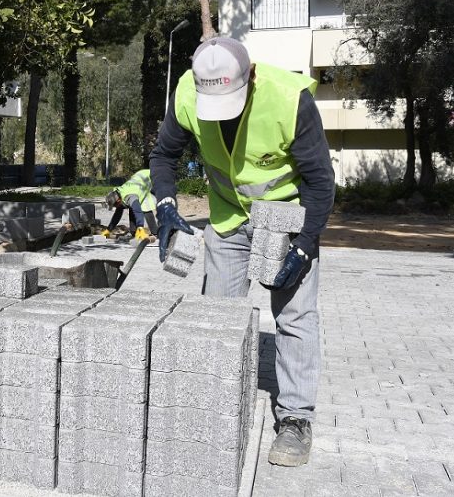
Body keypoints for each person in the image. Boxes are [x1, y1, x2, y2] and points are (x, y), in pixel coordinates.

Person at [150, 36, 334, 468]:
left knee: (295, 316)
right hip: (228, 216)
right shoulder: (187, 92)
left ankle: (296, 419)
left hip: (285, 217)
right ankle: (214, 401)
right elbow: (164, 156)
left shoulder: (290, 99)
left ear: (250, 75)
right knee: (217, 314)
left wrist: (304, 246)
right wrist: (166, 204)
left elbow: (320, 181)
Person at [102, 169, 156, 241]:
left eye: (115, 205)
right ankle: (133, 232)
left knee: (145, 207)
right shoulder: (119, 194)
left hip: (151, 177)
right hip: (139, 178)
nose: (115, 207)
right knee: (132, 206)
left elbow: (138, 211)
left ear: (118, 201)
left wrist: (140, 227)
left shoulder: (130, 197)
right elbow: (117, 215)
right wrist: (109, 230)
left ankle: (155, 233)